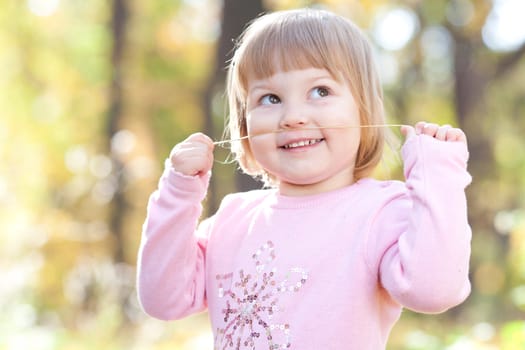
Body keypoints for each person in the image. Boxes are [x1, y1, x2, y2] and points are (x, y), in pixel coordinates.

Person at [136, 8, 472, 350]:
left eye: (321, 91)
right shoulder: (232, 219)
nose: (293, 117)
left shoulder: (379, 212)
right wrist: (178, 192)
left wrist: (438, 177)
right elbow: (163, 300)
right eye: (270, 98)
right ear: (244, 125)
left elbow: (434, 290)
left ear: (363, 111)